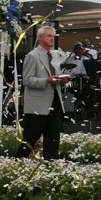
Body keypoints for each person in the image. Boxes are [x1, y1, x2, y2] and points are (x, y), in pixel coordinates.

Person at [16, 25, 68, 160]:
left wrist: (62, 79)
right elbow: (27, 80)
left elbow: (54, 74)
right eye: (49, 36)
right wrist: (46, 80)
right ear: (40, 38)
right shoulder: (32, 56)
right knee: (30, 137)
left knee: (53, 136)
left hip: (54, 100)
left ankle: (51, 164)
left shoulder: (54, 55)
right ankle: (16, 162)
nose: (52, 39)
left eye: (53, 36)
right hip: (37, 104)